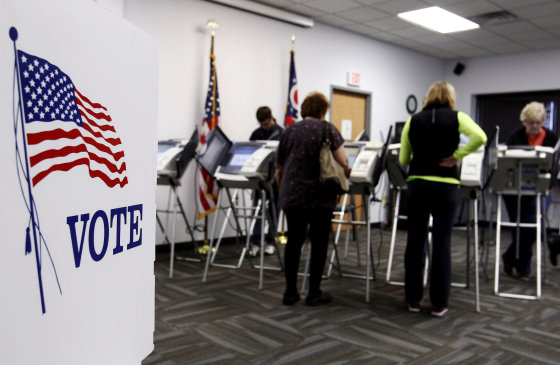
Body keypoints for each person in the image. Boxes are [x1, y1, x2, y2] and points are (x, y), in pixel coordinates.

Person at [399, 81, 486, 317]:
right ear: (451, 97)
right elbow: (480, 137)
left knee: (415, 242)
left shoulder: (413, 120)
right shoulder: (458, 117)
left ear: (428, 97)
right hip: (446, 186)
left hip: (417, 184)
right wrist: (456, 156)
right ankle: (439, 303)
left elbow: (404, 158)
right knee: (442, 244)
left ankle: (413, 300)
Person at [275, 92, 350, 306]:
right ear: (322, 111)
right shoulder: (328, 129)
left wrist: (282, 194)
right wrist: (346, 169)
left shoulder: (289, 131)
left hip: (293, 194)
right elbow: (342, 159)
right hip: (321, 195)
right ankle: (314, 292)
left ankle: (290, 292)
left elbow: (278, 166)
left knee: (294, 241)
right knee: (318, 243)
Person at [502, 101, 558, 278]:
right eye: (530, 122)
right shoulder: (515, 137)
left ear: (543, 121)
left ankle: (510, 257)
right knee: (519, 228)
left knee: (534, 227)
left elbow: (554, 164)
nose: (534, 126)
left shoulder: (551, 138)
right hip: (515, 190)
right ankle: (523, 267)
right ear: (524, 122)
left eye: (538, 122)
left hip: (541, 188)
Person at [248, 106, 284, 257]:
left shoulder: (282, 133)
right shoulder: (256, 134)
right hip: (260, 178)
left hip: (275, 179)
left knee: (274, 211)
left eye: (266, 123)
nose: (263, 126)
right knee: (257, 210)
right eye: (261, 123)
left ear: (271, 117)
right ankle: (255, 242)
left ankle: (271, 242)